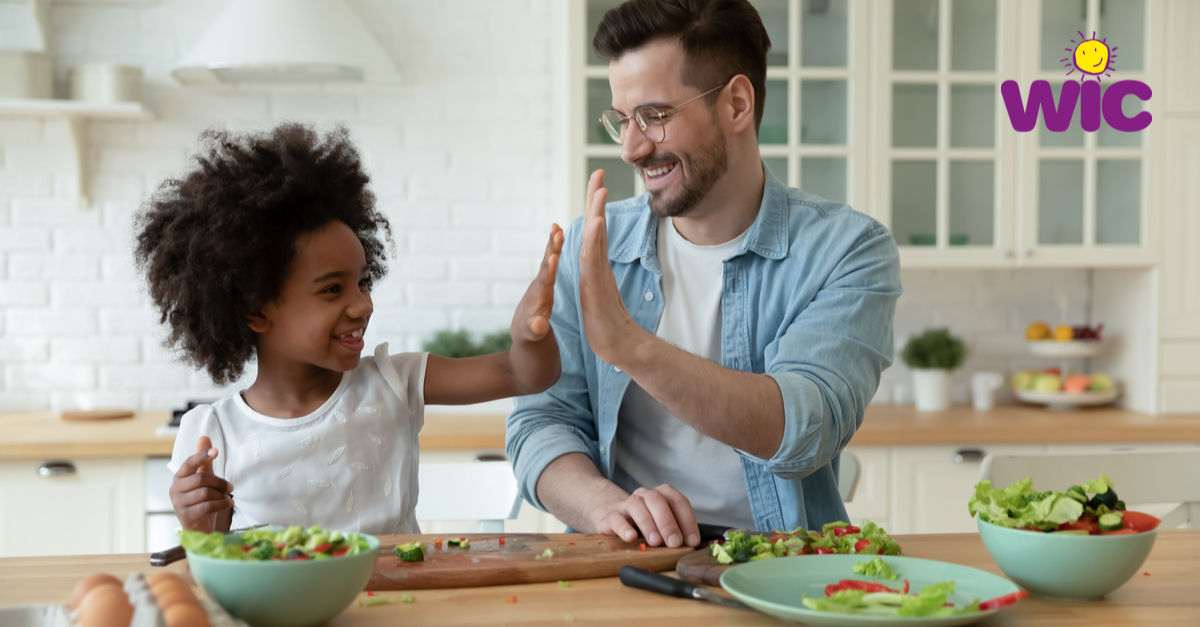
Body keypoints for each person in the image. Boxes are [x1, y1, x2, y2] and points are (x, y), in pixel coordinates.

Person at [506, 0, 901, 549]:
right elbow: (541, 422)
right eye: (623, 119)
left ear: (737, 104)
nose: (631, 147)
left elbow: (805, 429)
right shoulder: (592, 247)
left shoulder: (847, 250)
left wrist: (631, 346)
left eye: (655, 115)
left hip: (778, 565)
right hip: (621, 561)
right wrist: (607, 506)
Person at [136, 123, 563, 535]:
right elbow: (219, 555)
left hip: (399, 605)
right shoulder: (212, 435)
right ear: (256, 311)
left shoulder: (396, 382)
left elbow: (521, 374)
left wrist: (530, 338)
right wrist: (200, 525)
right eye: (332, 289)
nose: (363, 304)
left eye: (363, 282)